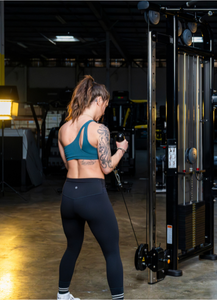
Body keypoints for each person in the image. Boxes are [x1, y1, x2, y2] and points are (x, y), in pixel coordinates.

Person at [56, 75, 128, 300]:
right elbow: (107, 168)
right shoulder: (99, 130)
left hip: (69, 196)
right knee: (112, 252)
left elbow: (68, 163)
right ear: (98, 101)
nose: (103, 112)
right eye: (104, 106)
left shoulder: (63, 130)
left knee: (72, 247)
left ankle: (63, 295)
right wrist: (121, 150)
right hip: (93, 195)